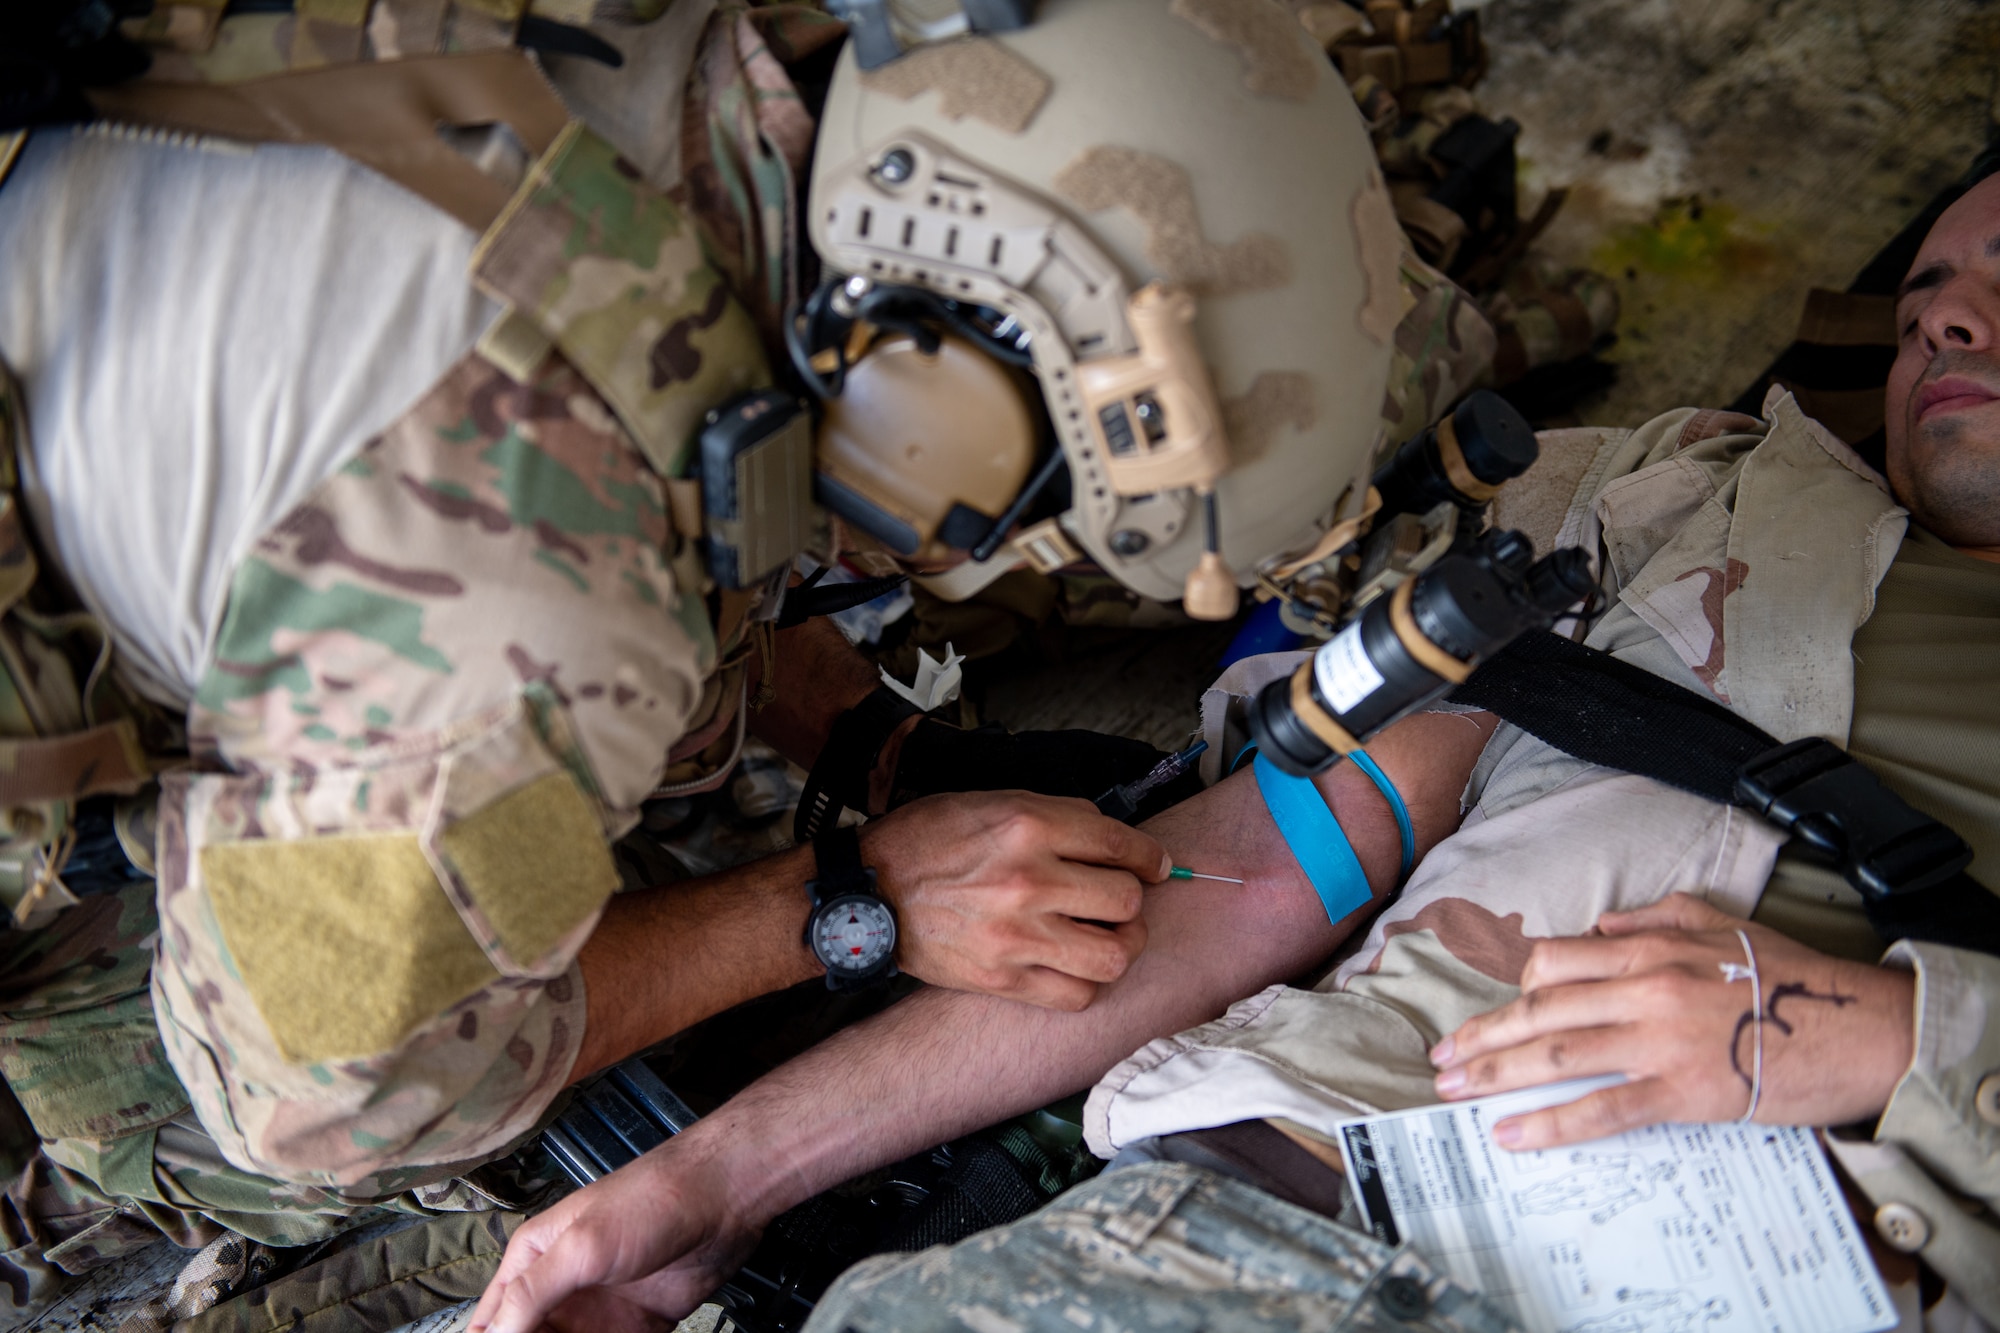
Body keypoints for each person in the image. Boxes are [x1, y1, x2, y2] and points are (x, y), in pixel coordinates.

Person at [0, 0, 1507, 1319]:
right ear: (936, 386)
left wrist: (856, 737)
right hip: (96, 872)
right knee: (521, 1140)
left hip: (265, 418)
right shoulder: (530, 605)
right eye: (1034, 501)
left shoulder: (839, 94)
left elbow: (741, 427)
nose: (1025, 544)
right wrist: (855, 905)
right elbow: (331, 1085)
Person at [468, 162, 2000, 1333]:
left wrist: (1888, 1036)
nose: (1945, 310)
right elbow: (1246, 877)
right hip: (1279, 1226)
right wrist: (709, 1181)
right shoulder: (1676, 501)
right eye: (1933, 279)